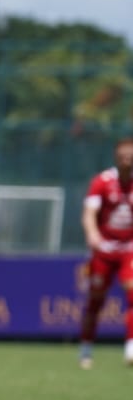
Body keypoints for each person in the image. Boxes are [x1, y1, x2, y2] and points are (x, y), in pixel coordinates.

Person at [76, 137, 133, 369]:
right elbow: (89, 213)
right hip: (104, 250)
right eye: (123, 156)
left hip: (129, 250)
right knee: (96, 300)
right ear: (116, 158)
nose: (127, 160)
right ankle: (86, 348)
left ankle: (131, 347)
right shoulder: (102, 181)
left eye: (131, 157)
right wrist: (92, 233)